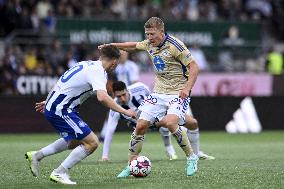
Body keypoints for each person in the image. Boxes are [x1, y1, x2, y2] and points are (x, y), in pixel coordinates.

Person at [99, 17, 200, 177]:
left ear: (161, 31)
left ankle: (192, 157)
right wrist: (113, 45)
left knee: (171, 122)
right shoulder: (148, 44)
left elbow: (194, 66)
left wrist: (187, 88)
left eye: (152, 34)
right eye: (147, 34)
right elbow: (132, 46)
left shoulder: (175, 45)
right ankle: (131, 165)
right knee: (140, 126)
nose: (149, 37)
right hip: (159, 92)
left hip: (178, 92)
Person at [24, 45, 136, 185]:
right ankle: (60, 172)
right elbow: (102, 97)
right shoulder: (98, 71)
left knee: (75, 141)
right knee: (93, 142)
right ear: (114, 62)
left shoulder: (86, 64)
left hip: (58, 107)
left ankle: (37, 156)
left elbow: (62, 81)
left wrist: (49, 100)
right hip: (61, 110)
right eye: (117, 63)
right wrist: (125, 111)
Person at [101, 81, 178, 162]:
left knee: (166, 122)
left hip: (151, 116)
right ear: (114, 95)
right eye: (119, 96)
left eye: (124, 94)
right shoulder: (114, 108)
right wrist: (104, 156)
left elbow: (154, 98)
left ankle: (169, 148)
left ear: (127, 90)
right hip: (137, 124)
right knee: (138, 135)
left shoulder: (140, 88)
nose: (122, 99)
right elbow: (109, 131)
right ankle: (134, 158)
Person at [99, 51, 140, 142]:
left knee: (136, 114)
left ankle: (139, 134)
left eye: (124, 54)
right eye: (121, 55)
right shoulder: (115, 66)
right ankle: (103, 135)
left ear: (127, 55)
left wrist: (130, 93)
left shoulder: (132, 66)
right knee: (110, 113)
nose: (122, 57)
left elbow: (134, 81)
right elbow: (111, 80)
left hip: (128, 94)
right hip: (117, 94)